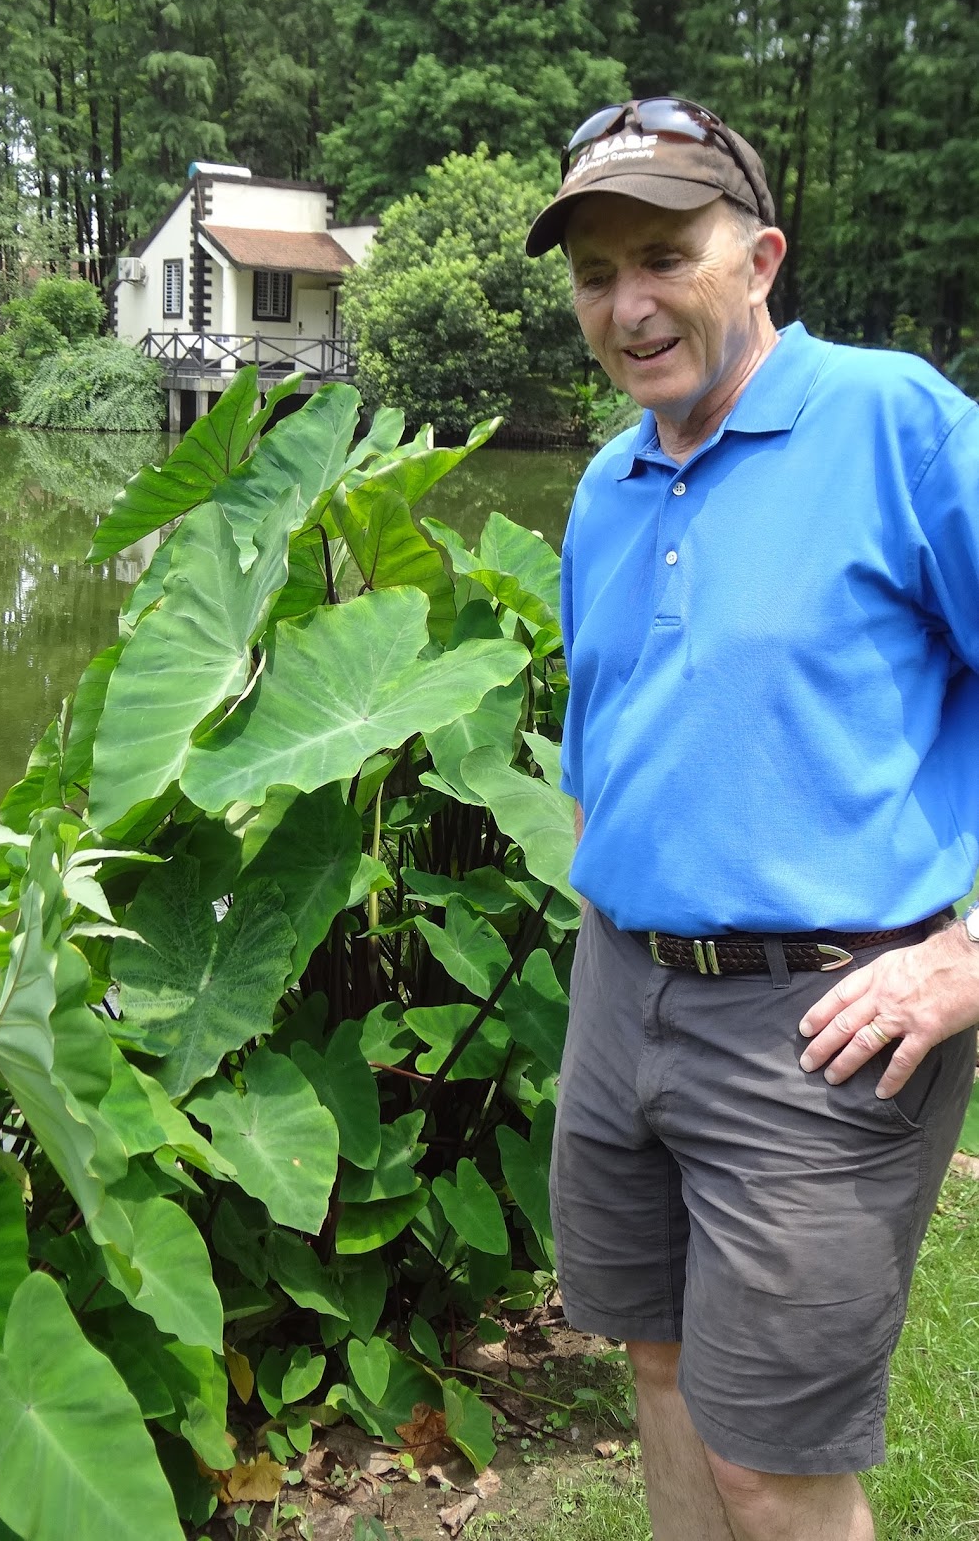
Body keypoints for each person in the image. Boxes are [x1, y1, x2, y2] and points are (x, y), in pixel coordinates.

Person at [524, 97, 979, 1541]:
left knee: (768, 1468)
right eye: (596, 275)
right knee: (656, 1375)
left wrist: (968, 957)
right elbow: (606, 737)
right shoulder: (605, 484)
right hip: (621, 997)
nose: (627, 305)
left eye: (663, 255)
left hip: (819, 1024)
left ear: (760, 256)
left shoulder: (894, 424)